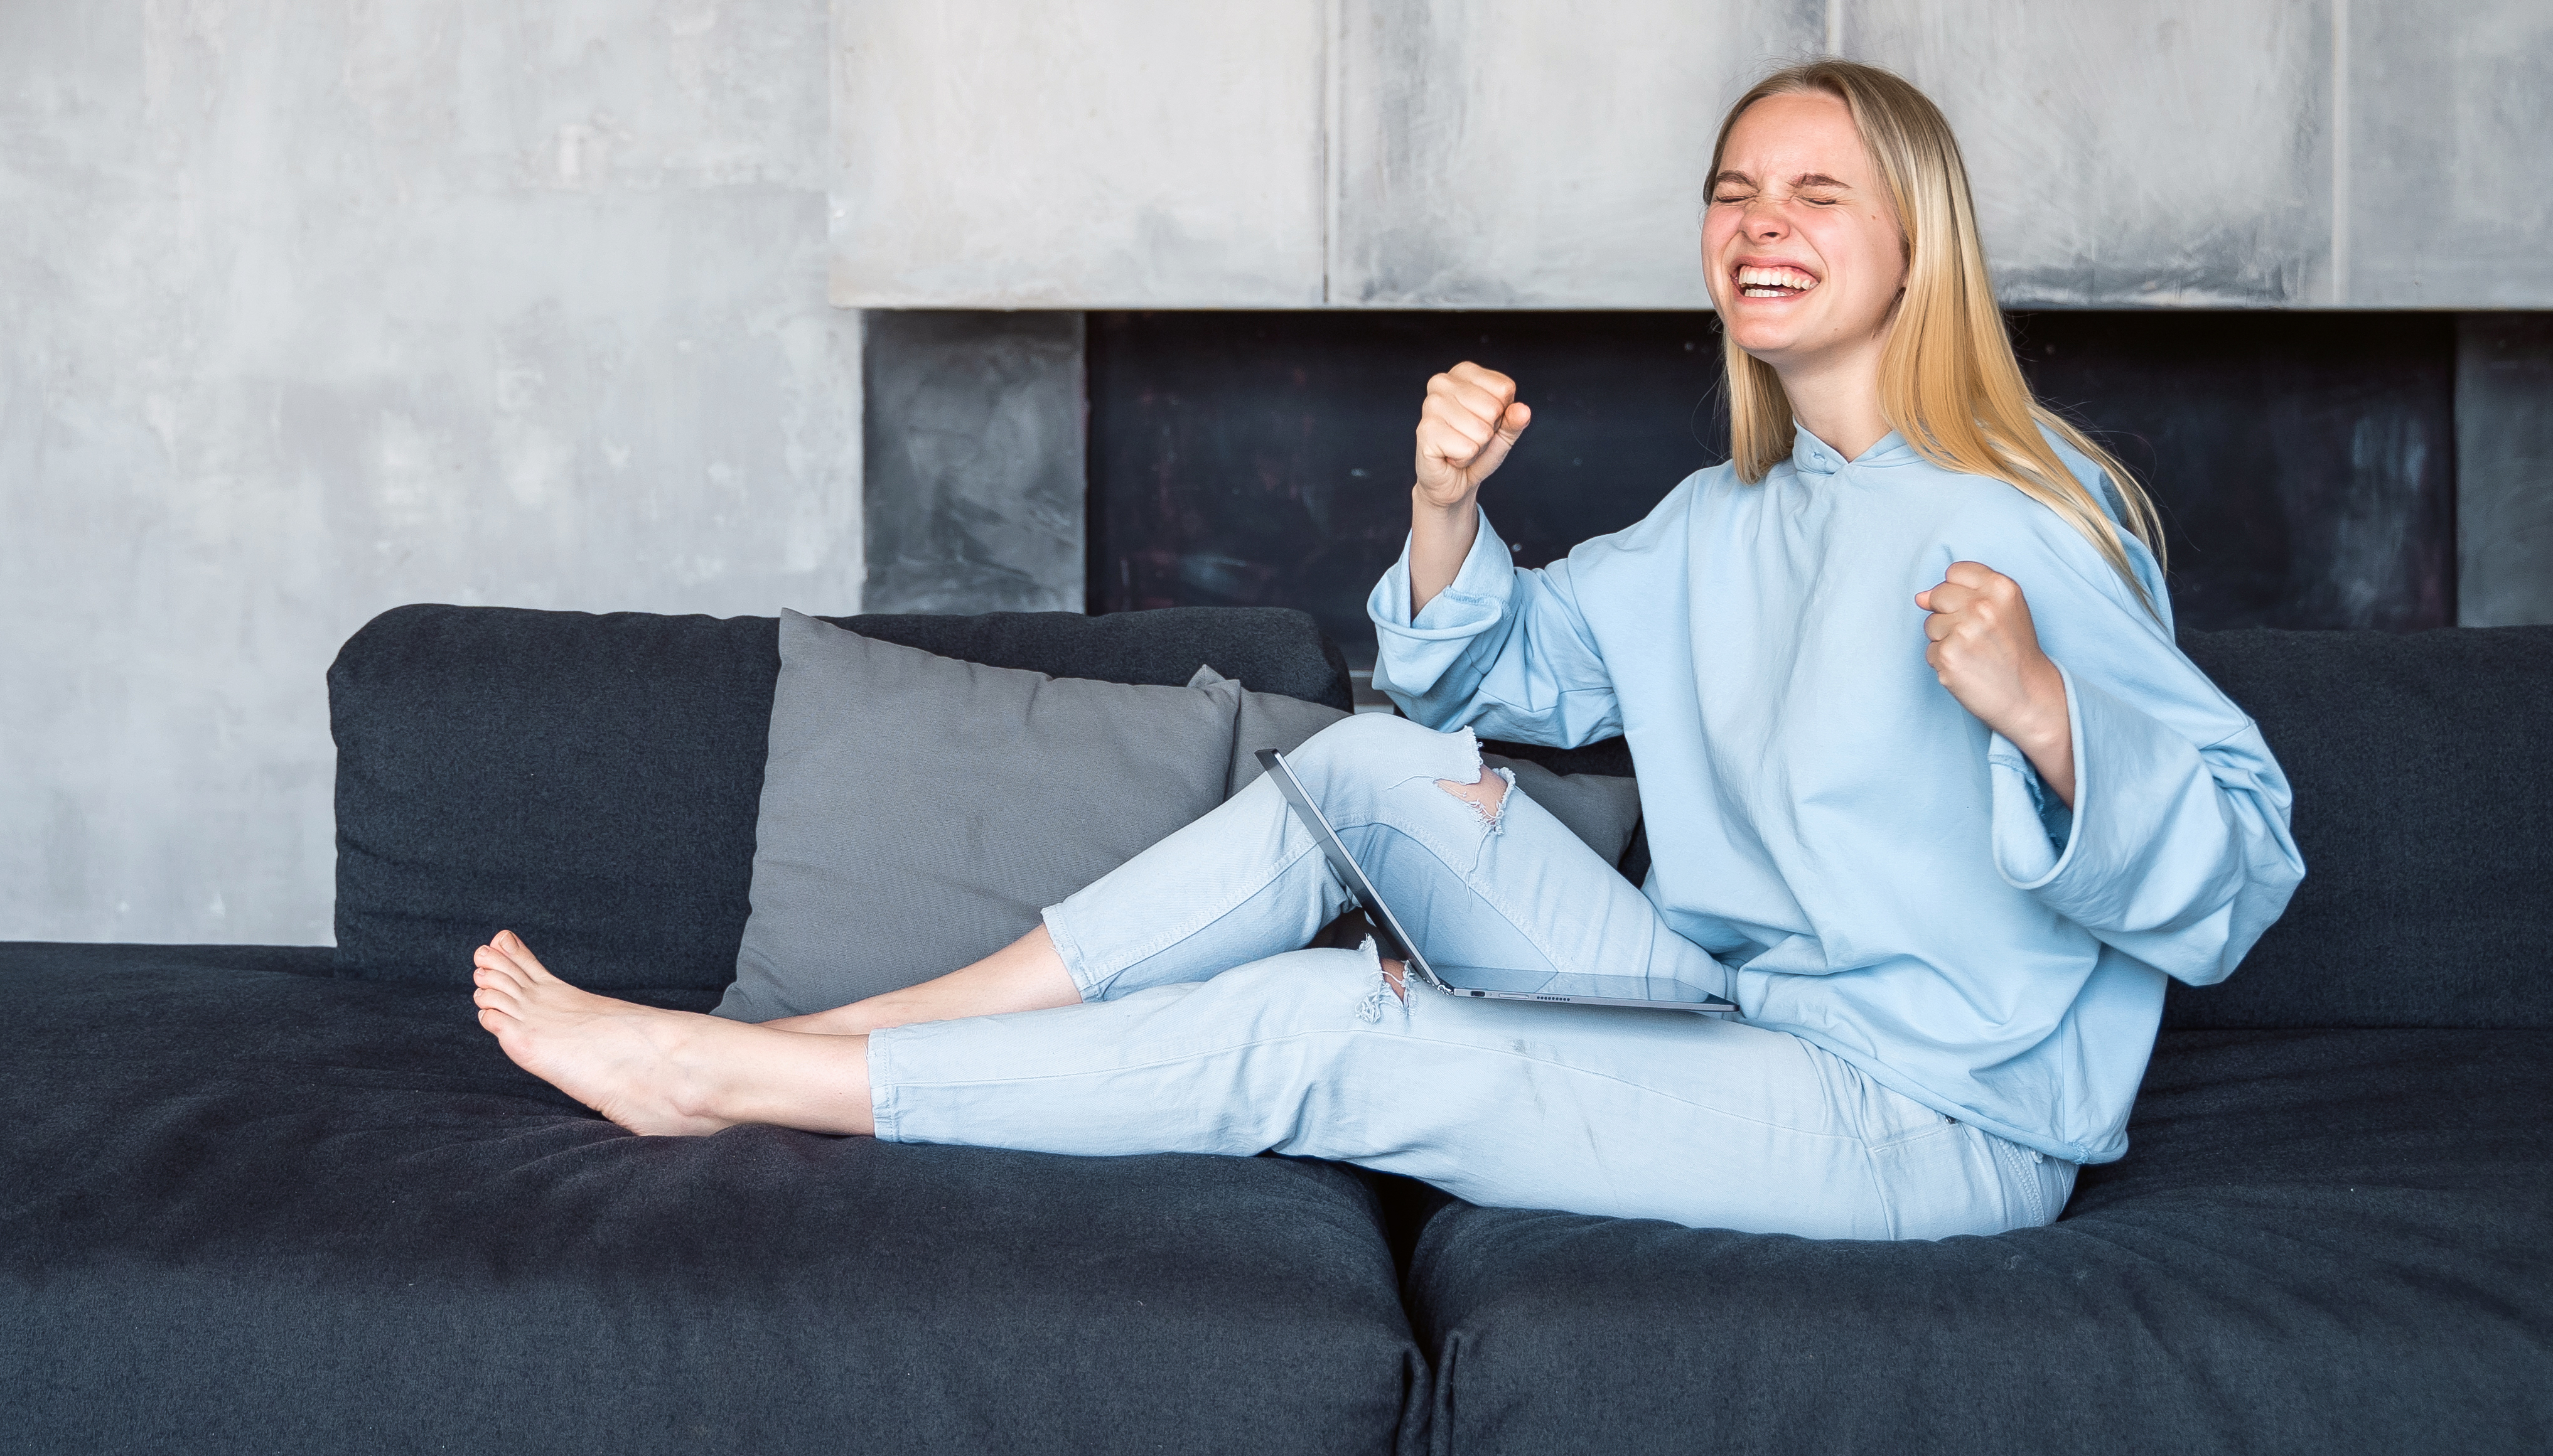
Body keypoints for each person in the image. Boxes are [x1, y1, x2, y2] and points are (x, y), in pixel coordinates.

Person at [473, 60, 2305, 1240]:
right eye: (1735, 191)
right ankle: (860, 1027)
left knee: (1331, 1033)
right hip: (1734, 1008)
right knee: (1351, 770)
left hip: (1926, 1117)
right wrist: (1446, 507)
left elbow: (2234, 882)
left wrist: (2050, 718)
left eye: (1818, 194)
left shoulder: (2022, 509)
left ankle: (750, 1076)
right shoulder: (1727, 521)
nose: (1761, 225)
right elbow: (1477, 688)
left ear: (1921, 240)